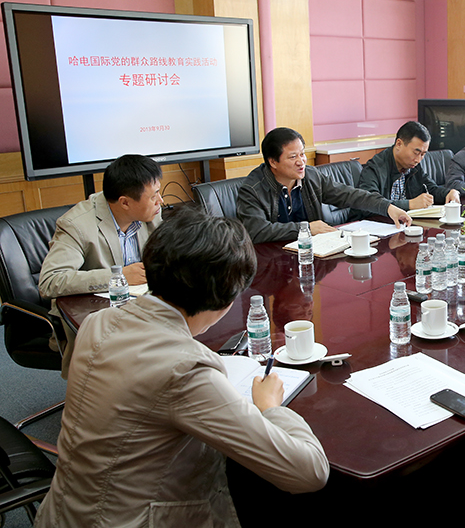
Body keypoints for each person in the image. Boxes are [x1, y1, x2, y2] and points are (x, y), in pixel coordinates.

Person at [34, 207, 329, 527]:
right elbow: (309, 472)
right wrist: (270, 407)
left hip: (62, 513)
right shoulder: (185, 370)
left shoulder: (98, 322)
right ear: (227, 299)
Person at [39, 154, 164, 377]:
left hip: (143, 306)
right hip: (96, 317)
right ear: (125, 202)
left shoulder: (149, 211)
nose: (160, 201)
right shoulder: (77, 225)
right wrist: (118, 276)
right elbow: (50, 281)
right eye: (154, 196)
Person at [237, 127, 411, 243]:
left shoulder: (311, 176)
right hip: (273, 263)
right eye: (293, 157)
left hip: (312, 253)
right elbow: (257, 231)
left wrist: (387, 207)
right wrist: (306, 228)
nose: (301, 162)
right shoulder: (252, 190)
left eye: (302, 154)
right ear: (273, 162)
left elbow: (349, 195)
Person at [358, 121, 459, 211]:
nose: (418, 160)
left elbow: (431, 189)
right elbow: (370, 203)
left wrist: (450, 193)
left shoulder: (413, 166)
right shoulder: (375, 168)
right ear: (399, 144)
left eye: (423, 154)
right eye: (416, 153)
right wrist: (410, 204)